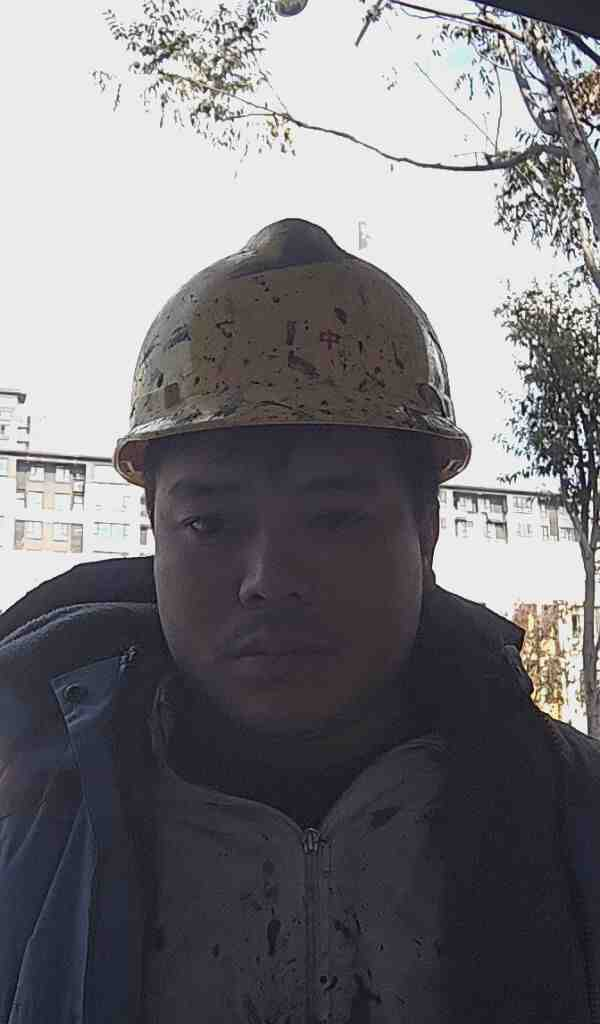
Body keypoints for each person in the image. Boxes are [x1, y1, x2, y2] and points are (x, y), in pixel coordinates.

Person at [1, 219, 599, 1024]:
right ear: (154, 530)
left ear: (426, 531)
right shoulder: (32, 818)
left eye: (335, 520)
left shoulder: (571, 813)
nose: (269, 582)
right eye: (210, 524)